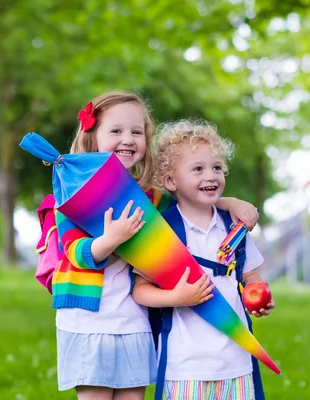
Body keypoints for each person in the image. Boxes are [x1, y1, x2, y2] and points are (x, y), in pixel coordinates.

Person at [53, 92, 259, 400]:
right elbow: (75, 253)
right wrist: (111, 240)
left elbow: (191, 195)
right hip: (89, 322)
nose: (128, 139)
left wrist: (232, 202)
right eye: (116, 131)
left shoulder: (151, 197)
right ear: (92, 135)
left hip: (135, 321)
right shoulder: (73, 193)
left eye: (137, 132)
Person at [132, 119, 275, 400]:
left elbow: (251, 277)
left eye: (217, 168)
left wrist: (257, 297)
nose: (211, 176)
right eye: (198, 169)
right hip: (185, 368)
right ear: (171, 181)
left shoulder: (235, 226)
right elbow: (139, 290)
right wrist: (177, 297)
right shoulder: (162, 232)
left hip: (237, 362)